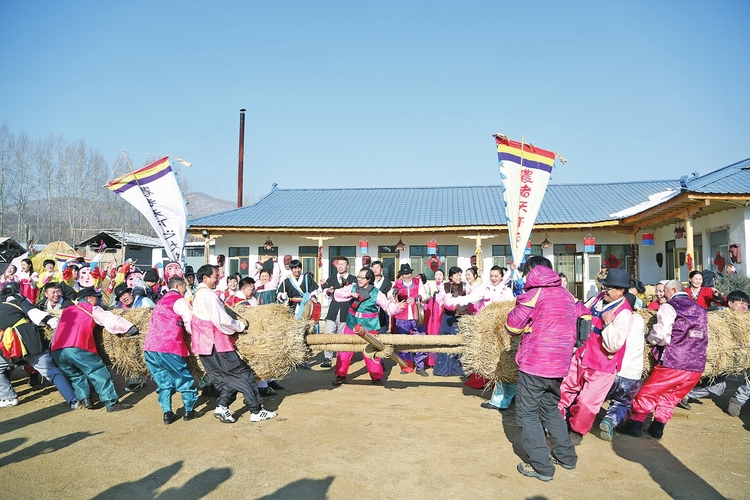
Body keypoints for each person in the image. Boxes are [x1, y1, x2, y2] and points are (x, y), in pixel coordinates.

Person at [505, 260, 589, 482]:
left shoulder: (534, 294)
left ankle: (541, 465)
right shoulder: (566, 294)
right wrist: (577, 340)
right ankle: (567, 457)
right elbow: (586, 314)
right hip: (559, 364)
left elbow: (512, 327)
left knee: (527, 413)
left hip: (535, 363)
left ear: (530, 273)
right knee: (550, 409)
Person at [618, 280, 708, 439]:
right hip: (697, 364)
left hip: (674, 360)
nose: (662, 295)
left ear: (672, 290)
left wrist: (650, 339)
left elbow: (662, 334)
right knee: (671, 396)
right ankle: (658, 427)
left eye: (664, 291)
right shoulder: (701, 309)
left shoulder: (670, 306)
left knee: (647, 393)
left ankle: (635, 425)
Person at [190, 264, 276, 423]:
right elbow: (222, 320)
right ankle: (256, 411)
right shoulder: (208, 295)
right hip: (216, 344)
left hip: (203, 347)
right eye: (216, 276)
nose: (218, 279)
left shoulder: (198, 295)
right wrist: (240, 326)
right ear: (205, 278)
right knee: (243, 374)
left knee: (227, 379)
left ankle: (222, 407)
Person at [558, 268, 634, 445]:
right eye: (604, 285)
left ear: (621, 291)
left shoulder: (624, 314)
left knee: (587, 402)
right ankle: (554, 421)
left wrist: (608, 324)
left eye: (609, 287)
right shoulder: (597, 299)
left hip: (602, 365)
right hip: (581, 355)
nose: (604, 289)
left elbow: (614, 345)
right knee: (564, 389)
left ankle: (576, 431)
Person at [50, 287, 139, 412]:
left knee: (75, 375)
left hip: (57, 351)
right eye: (95, 297)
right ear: (87, 299)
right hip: (77, 347)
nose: (98, 299)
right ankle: (111, 402)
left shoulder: (66, 311)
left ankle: (85, 399)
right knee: (98, 372)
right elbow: (108, 319)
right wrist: (128, 327)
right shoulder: (90, 308)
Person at [0, 282, 78, 409]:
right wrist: (49, 320)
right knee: (51, 372)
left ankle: (8, 397)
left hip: (9, 347)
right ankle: (73, 400)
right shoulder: (19, 299)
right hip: (29, 340)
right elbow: (33, 312)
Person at [678, 290, 750, 410]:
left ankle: (683, 394)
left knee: (718, 388)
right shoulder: (716, 312)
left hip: (724, 363)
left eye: (746, 304)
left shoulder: (745, 322)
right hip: (704, 356)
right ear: (730, 303)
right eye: (741, 303)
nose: (744, 306)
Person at [144, 276, 201, 425]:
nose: (185, 291)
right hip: (168, 345)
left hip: (150, 346)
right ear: (178, 285)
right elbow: (190, 321)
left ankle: (167, 413)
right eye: (184, 288)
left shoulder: (161, 301)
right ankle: (189, 410)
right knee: (183, 377)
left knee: (162, 380)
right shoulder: (179, 300)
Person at [332, 268, 404, 386]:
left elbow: (388, 307)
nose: (359, 279)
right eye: (358, 277)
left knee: (371, 353)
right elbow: (337, 293)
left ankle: (376, 377)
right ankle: (340, 375)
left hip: (370, 326)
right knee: (344, 350)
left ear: (369, 279)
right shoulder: (352, 287)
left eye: (362, 277)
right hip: (351, 324)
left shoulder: (377, 293)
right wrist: (349, 294)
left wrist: (398, 306)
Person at [598, 292, 645, 441]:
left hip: (613, 368)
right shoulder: (639, 320)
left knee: (599, 396)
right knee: (622, 402)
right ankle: (610, 420)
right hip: (632, 372)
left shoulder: (616, 318)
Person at [433, 266, 471, 376]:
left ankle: (457, 369)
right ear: (450, 276)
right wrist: (446, 303)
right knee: (445, 341)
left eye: (460, 274)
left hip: (461, 317)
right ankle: (442, 369)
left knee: (460, 342)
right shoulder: (445, 286)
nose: (459, 276)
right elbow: (439, 300)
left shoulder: (465, 286)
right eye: (456, 274)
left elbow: (472, 297)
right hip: (448, 317)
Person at [392, 263, 428, 376]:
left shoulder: (418, 282)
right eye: (405, 274)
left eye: (409, 273)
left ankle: (420, 366)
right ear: (401, 275)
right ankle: (406, 366)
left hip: (416, 315)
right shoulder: (396, 284)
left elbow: (425, 295)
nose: (407, 276)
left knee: (420, 340)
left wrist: (417, 298)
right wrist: (395, 300)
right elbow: (390, 297)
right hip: (402, 316)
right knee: (403, 341)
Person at [321, 257, 356, 368]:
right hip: (333, 309)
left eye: (343, 264)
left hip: (346, 309)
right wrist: (328, 291)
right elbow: (324, 293)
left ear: (347, 265)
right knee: (328, 333)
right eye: (338, 264)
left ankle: (342, 358)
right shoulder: (331, 279)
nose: (340, 266)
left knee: (343, 335)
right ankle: (327, 357)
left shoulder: (353, 279)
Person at [371, 260, 392, 333]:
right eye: (373, 268)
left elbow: (389, 297)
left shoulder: (387, 282)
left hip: (382, 312)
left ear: (381, 269)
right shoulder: (369, 281)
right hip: (370, 311)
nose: (375, 270)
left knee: (381, 331)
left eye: (377, 267)